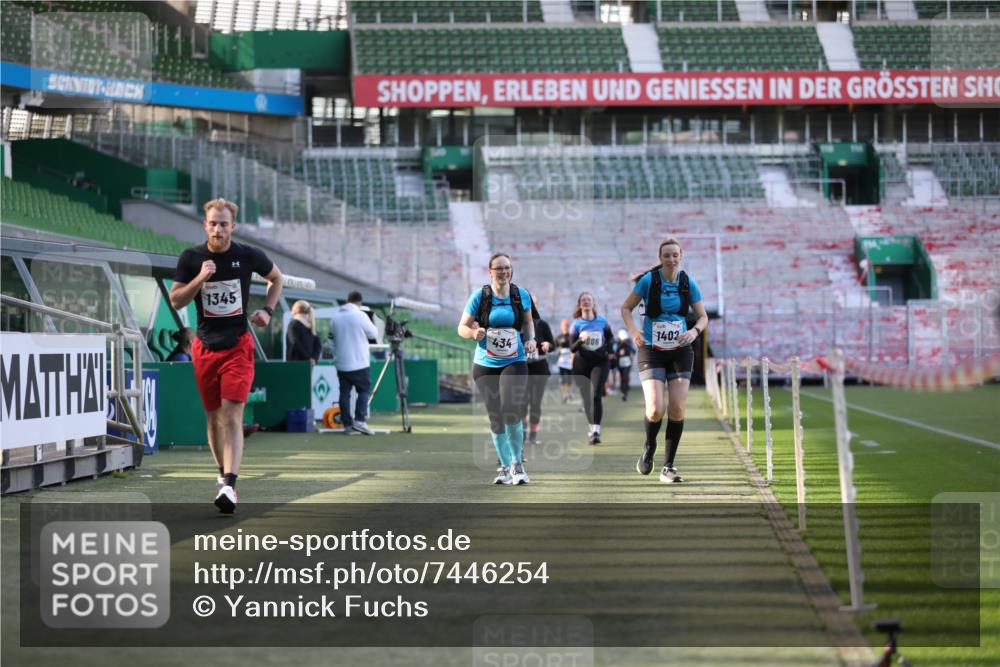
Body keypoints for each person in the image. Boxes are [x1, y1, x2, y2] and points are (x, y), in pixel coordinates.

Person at [171, 198, 283, 513]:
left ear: (233, 226)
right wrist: (200, 279)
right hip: (205, 349)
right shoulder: (191, 258)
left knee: (232, 414)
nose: (218, 228)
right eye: (213, 223)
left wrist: (267, 310)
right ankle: (222, 475)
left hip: (238, 345)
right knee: (213, 418)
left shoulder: (247, 256)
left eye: (224, 223)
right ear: (205, 225)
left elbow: (278, 278)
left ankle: (230, 486)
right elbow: (177, 300)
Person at [621, 237, 708, 484]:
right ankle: (649, 446)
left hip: (681, 350)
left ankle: (668, 466)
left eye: (675, 255)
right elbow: (625, 308)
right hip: (652, 349)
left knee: (678, 408)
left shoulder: (688, 282)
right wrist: (635, 333)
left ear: (681, 256)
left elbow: (702, 317)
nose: (671, 259)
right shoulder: (650, 281)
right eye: (666, 255)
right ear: (660, 259)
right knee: (656, 408)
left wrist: (694, 332)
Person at [457, 252, 536, 485]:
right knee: (495, 417)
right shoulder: (480, 297)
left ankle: (517, 464)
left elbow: (529, 322)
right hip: (485, 365)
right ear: (490, 271)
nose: (503, 272)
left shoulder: (521, 295)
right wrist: (473, 333)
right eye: (499, 268)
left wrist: (530, 339)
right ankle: (503, 465)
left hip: (515, 360)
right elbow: (461, 327)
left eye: (507, 268)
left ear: (511, 270)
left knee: (511, 407)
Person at [328, 291, 379, 436]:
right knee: (363, 390)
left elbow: (330, 343)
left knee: (344, 394)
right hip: (360, 362)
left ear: (347, 300)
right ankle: (360, 421)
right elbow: (374, 334)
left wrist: (338, 354)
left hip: (341, 363)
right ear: (360, 302)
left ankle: (347, 425)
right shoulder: (361, 315)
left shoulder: (335, 318)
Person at [569, 292, 614, 445]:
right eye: (583, 300)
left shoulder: (602, 321)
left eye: (589, 300)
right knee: (587, 398)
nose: (586, 302)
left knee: (595, 394)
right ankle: (591, 428)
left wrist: (611, 352)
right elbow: (572, 348)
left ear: (593, 303)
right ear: (580, 305)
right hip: (581, 364)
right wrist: (581, 340)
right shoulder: (576, 325)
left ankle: (596, 430)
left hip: (600, 362)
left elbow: (610, 337)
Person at [522, 296, 554, 446]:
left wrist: (547, 344)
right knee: (521, 403)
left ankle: (533, 435)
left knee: (535, 403)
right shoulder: (517, 325)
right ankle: (522, 432)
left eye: (533, 304)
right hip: (522, 368)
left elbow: (552, 344)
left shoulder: (542, 325)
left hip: (539, 368)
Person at [286, 299, 321, 365]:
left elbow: (294, 343)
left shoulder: (293, 324)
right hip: (309, 365)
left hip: (295, 365)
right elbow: (318, 346)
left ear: (295, 309)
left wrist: (308, 359)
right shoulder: (311, 326)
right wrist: (313, 359)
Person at [555, 318, 574, 403]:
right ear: (561, 326)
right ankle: (564, 396)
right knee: (563, 379)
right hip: (562, 362)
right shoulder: (558, 337)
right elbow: (554, 348)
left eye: (567, 325)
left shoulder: (571, 337)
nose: (565, 327)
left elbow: (574, 348)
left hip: (570, 361)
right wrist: (557, 351)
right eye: (564, 325)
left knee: (569, 379)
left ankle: (568, 394)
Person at [615, 329, 636, 401]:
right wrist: (619, 353)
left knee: (625, 377)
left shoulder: (628, 342)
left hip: (627, 362)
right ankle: (622, 391)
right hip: (620, 363)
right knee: (622, 377)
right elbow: (615, 353)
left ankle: (625, 393)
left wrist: (631, 355)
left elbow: (633, 351)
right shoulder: (617, 343)